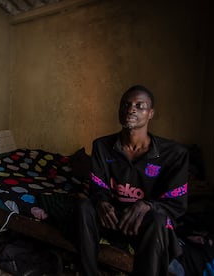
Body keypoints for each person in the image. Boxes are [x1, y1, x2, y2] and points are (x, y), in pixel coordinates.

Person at [76, 85, 189, 275]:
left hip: (145, 222)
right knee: (83, 207)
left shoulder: (174, 154)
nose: (131, 109)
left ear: (151, 113)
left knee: (158, 221)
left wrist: (146, 206)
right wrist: (101, 201)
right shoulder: (102, 146)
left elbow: (177, 203)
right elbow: (97, 187)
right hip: (112, 218)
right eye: (126, 104)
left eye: (140, 105)